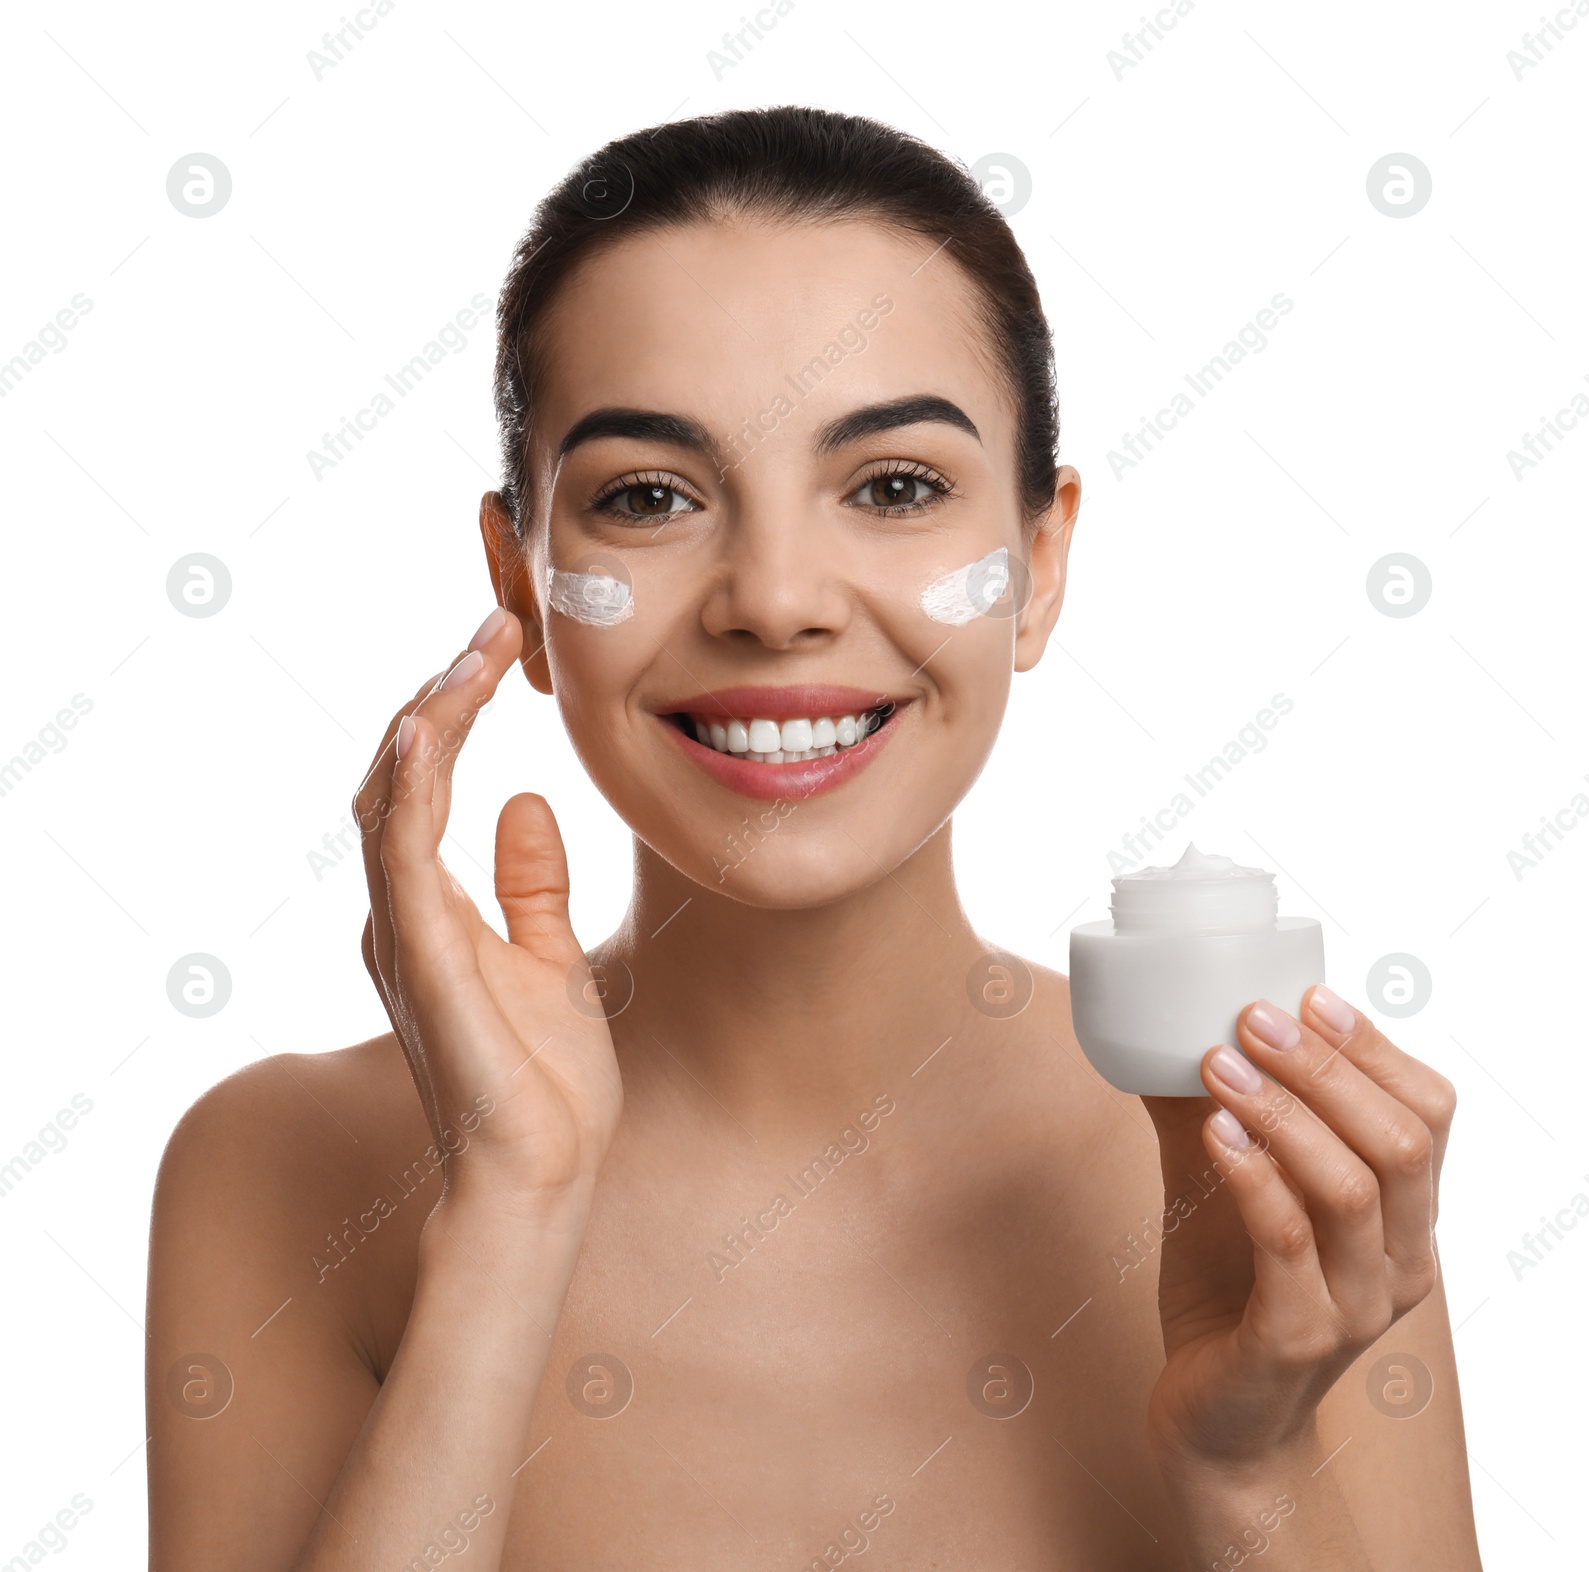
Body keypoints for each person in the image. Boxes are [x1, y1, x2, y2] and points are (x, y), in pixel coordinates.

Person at [145, 105, 1480, 1569]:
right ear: (519, 583)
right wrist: (509, 1221)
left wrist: (1250, 1464)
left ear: (1040, 565)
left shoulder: (1267, 1182)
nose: (773, 597)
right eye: (649, 497)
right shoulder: (282, 1171)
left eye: (895, 486)